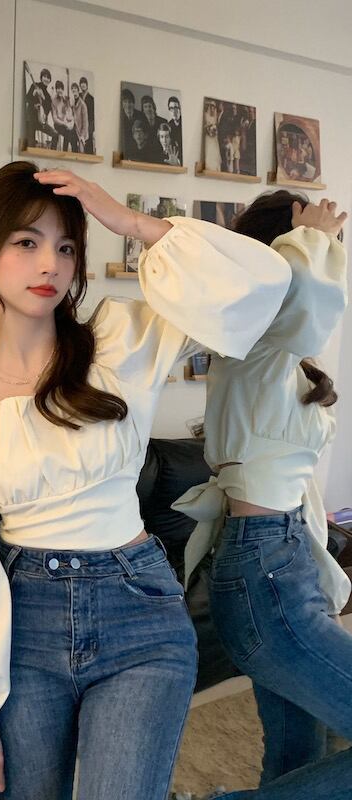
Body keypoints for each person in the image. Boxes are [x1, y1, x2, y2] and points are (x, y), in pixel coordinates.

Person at [0, 162, 293, 800]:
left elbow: (261, 285)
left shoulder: (119, 342)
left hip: (139, 611)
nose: (50, 264)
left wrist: (131, 222)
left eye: (66, 247)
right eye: (27, 242)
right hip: (24, 621)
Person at [174, 192, 352, 800]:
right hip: (267, 570)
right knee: (301, 747)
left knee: (299, 752)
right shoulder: (254, 343)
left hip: (279, 561)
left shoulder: (275, 357)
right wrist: (314, 239)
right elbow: (303, 299)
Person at [24, 67, 58, 149]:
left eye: (48, 77)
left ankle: (52, 153)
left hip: (40, 121)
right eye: (44, 76)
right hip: (31, 119)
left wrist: (43, 97)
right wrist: (33, 94)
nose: (46, 79)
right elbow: (27, 98)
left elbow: (47, 110)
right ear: (41, 77)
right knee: (31, 145)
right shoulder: (35, 85)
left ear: (50, 80)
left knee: (55, 134)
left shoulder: (48, 96)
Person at [51, 81, 78, 152]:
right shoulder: (53, 101)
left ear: (63, 90)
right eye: (58, 88)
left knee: (74, 135)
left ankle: (75, 154)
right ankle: (65, 151)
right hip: (58, 124)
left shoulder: (65, 99)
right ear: (56, 89)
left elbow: (69, 112)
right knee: (68, 134)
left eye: (61, 88)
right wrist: (64, 124)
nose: (60, 90)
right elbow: (55, 119)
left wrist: (68, 102)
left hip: (66, 123)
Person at [120, 88, 145, 155]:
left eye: (130, 102)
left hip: (140, 149)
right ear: (122, 103)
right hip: (125, 151)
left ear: (133, 103)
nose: (128, 105)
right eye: (125, 102)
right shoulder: (119, 116)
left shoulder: (141, 115)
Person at [70, 81, 88, 153]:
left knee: (81, 152)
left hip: (82, 131)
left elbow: (85, 123)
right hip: (74, 130)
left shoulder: (83, 104)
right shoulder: (72, 103)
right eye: (72, 90)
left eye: (75, 89)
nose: (74, 91)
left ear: (78, 90)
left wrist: (82, 136)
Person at [79, 76, 95, 153]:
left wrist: (90, 128)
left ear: (87, 85)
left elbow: (92, 115)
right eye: (81, 83)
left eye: (84, 83)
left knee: (88, 142)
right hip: (80, 123)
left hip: (89, 123)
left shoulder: (91, 98)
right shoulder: (78, 96)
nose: (83, 85)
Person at [167, 95, 183, 164]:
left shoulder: (185, 122)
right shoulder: (169, 125)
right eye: (171, 108)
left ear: (180, 108)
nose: (174, 111)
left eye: (176, 108)